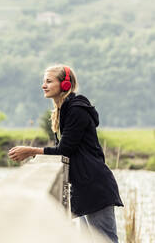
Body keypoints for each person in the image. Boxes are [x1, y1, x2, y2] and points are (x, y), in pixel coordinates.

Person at [8, 64, 123, 243]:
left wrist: (31, 151)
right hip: (85, 185)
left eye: (48, 81)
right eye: (43, 81)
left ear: (65, 85)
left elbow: (64, 150)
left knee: (106, 240)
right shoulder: (66, 109)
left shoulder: (77, 110)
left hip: (94, 185)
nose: (43, 85)